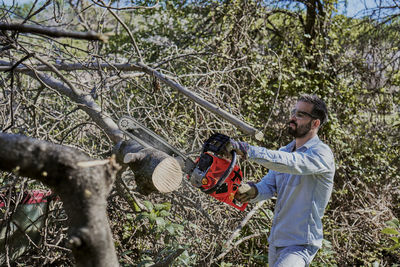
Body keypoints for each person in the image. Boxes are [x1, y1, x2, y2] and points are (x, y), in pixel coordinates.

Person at [227, 94, 335, 267]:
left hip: (300, 244)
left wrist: (248, 150)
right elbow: (269, 186)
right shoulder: (286, 150)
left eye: (300, 115)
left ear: (315, 123)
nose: (292, 118)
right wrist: (252, 191)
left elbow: (292, 164)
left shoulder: (322, 153)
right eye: (294, 112)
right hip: (277, 242)